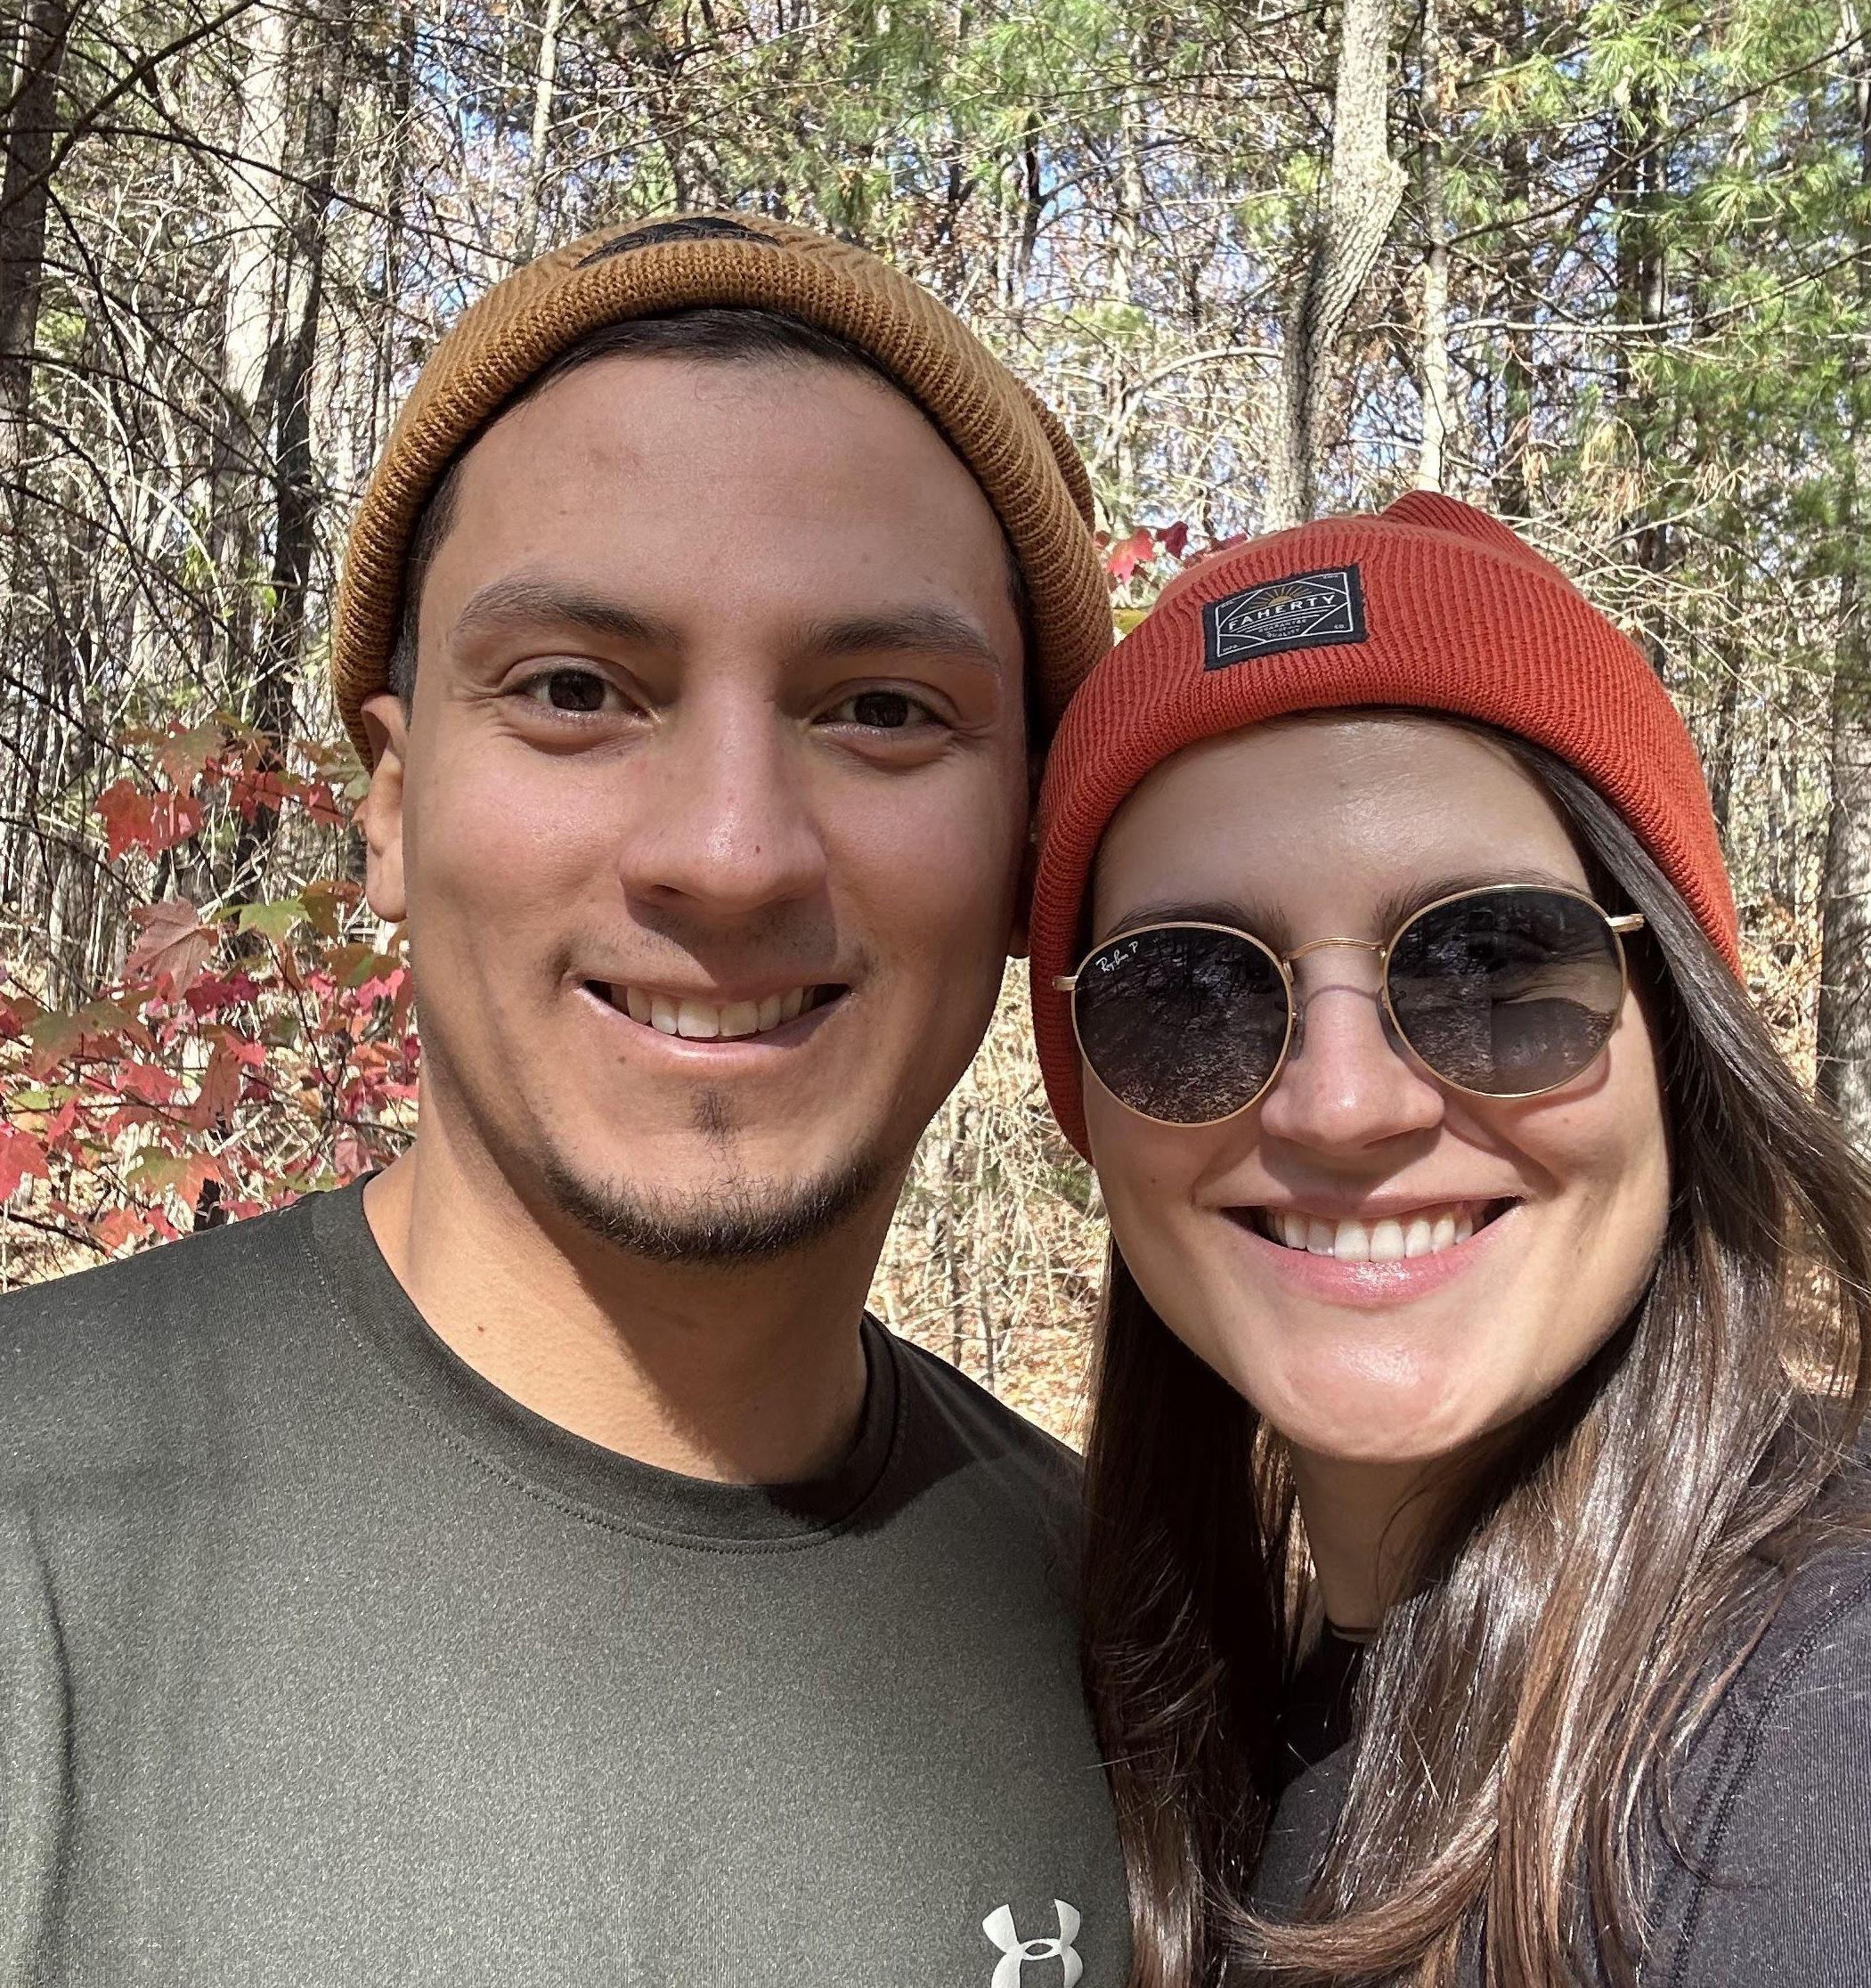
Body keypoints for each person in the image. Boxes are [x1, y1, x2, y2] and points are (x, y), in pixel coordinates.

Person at [1, 214, 1130, 1984]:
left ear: (1027, 851)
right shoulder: (36, 1541)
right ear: (391, 804)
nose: (730, 852)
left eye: (886, 709)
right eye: (578, 691)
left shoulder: (1151, 1670)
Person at [1026, 493, 1871, 1987]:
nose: (1343, 1105)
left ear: (1678, 1032)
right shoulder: (1205, 1708)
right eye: (1190, 993)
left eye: (1491, 961)